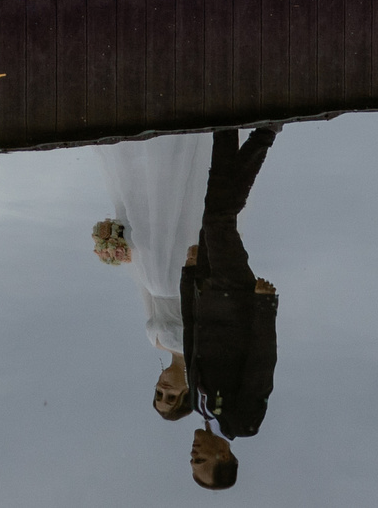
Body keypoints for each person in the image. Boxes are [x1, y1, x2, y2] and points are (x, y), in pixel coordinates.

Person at [180, 126, 282, 489]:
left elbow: (190, 336)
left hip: (207, 289)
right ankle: (266, 132)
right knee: (218, 220)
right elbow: (260, 363)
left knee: (215, 209)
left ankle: (226, 129)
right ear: (224, 455)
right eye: (200, 460)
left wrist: (189, 277)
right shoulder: (242, 422)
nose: (192, 455)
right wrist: (265, 305)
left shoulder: (196, 404)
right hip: (237, 297)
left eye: (191, 461)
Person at [93, 135, 214, 420]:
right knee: (180, 209)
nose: (163, 389)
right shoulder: (199, 348)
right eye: (170, 396)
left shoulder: (157, 342)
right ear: (187, 391)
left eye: (158, 394)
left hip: (154, 271)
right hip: (176, 275)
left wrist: (123, 248)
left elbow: (145, 294)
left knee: (151, 210)